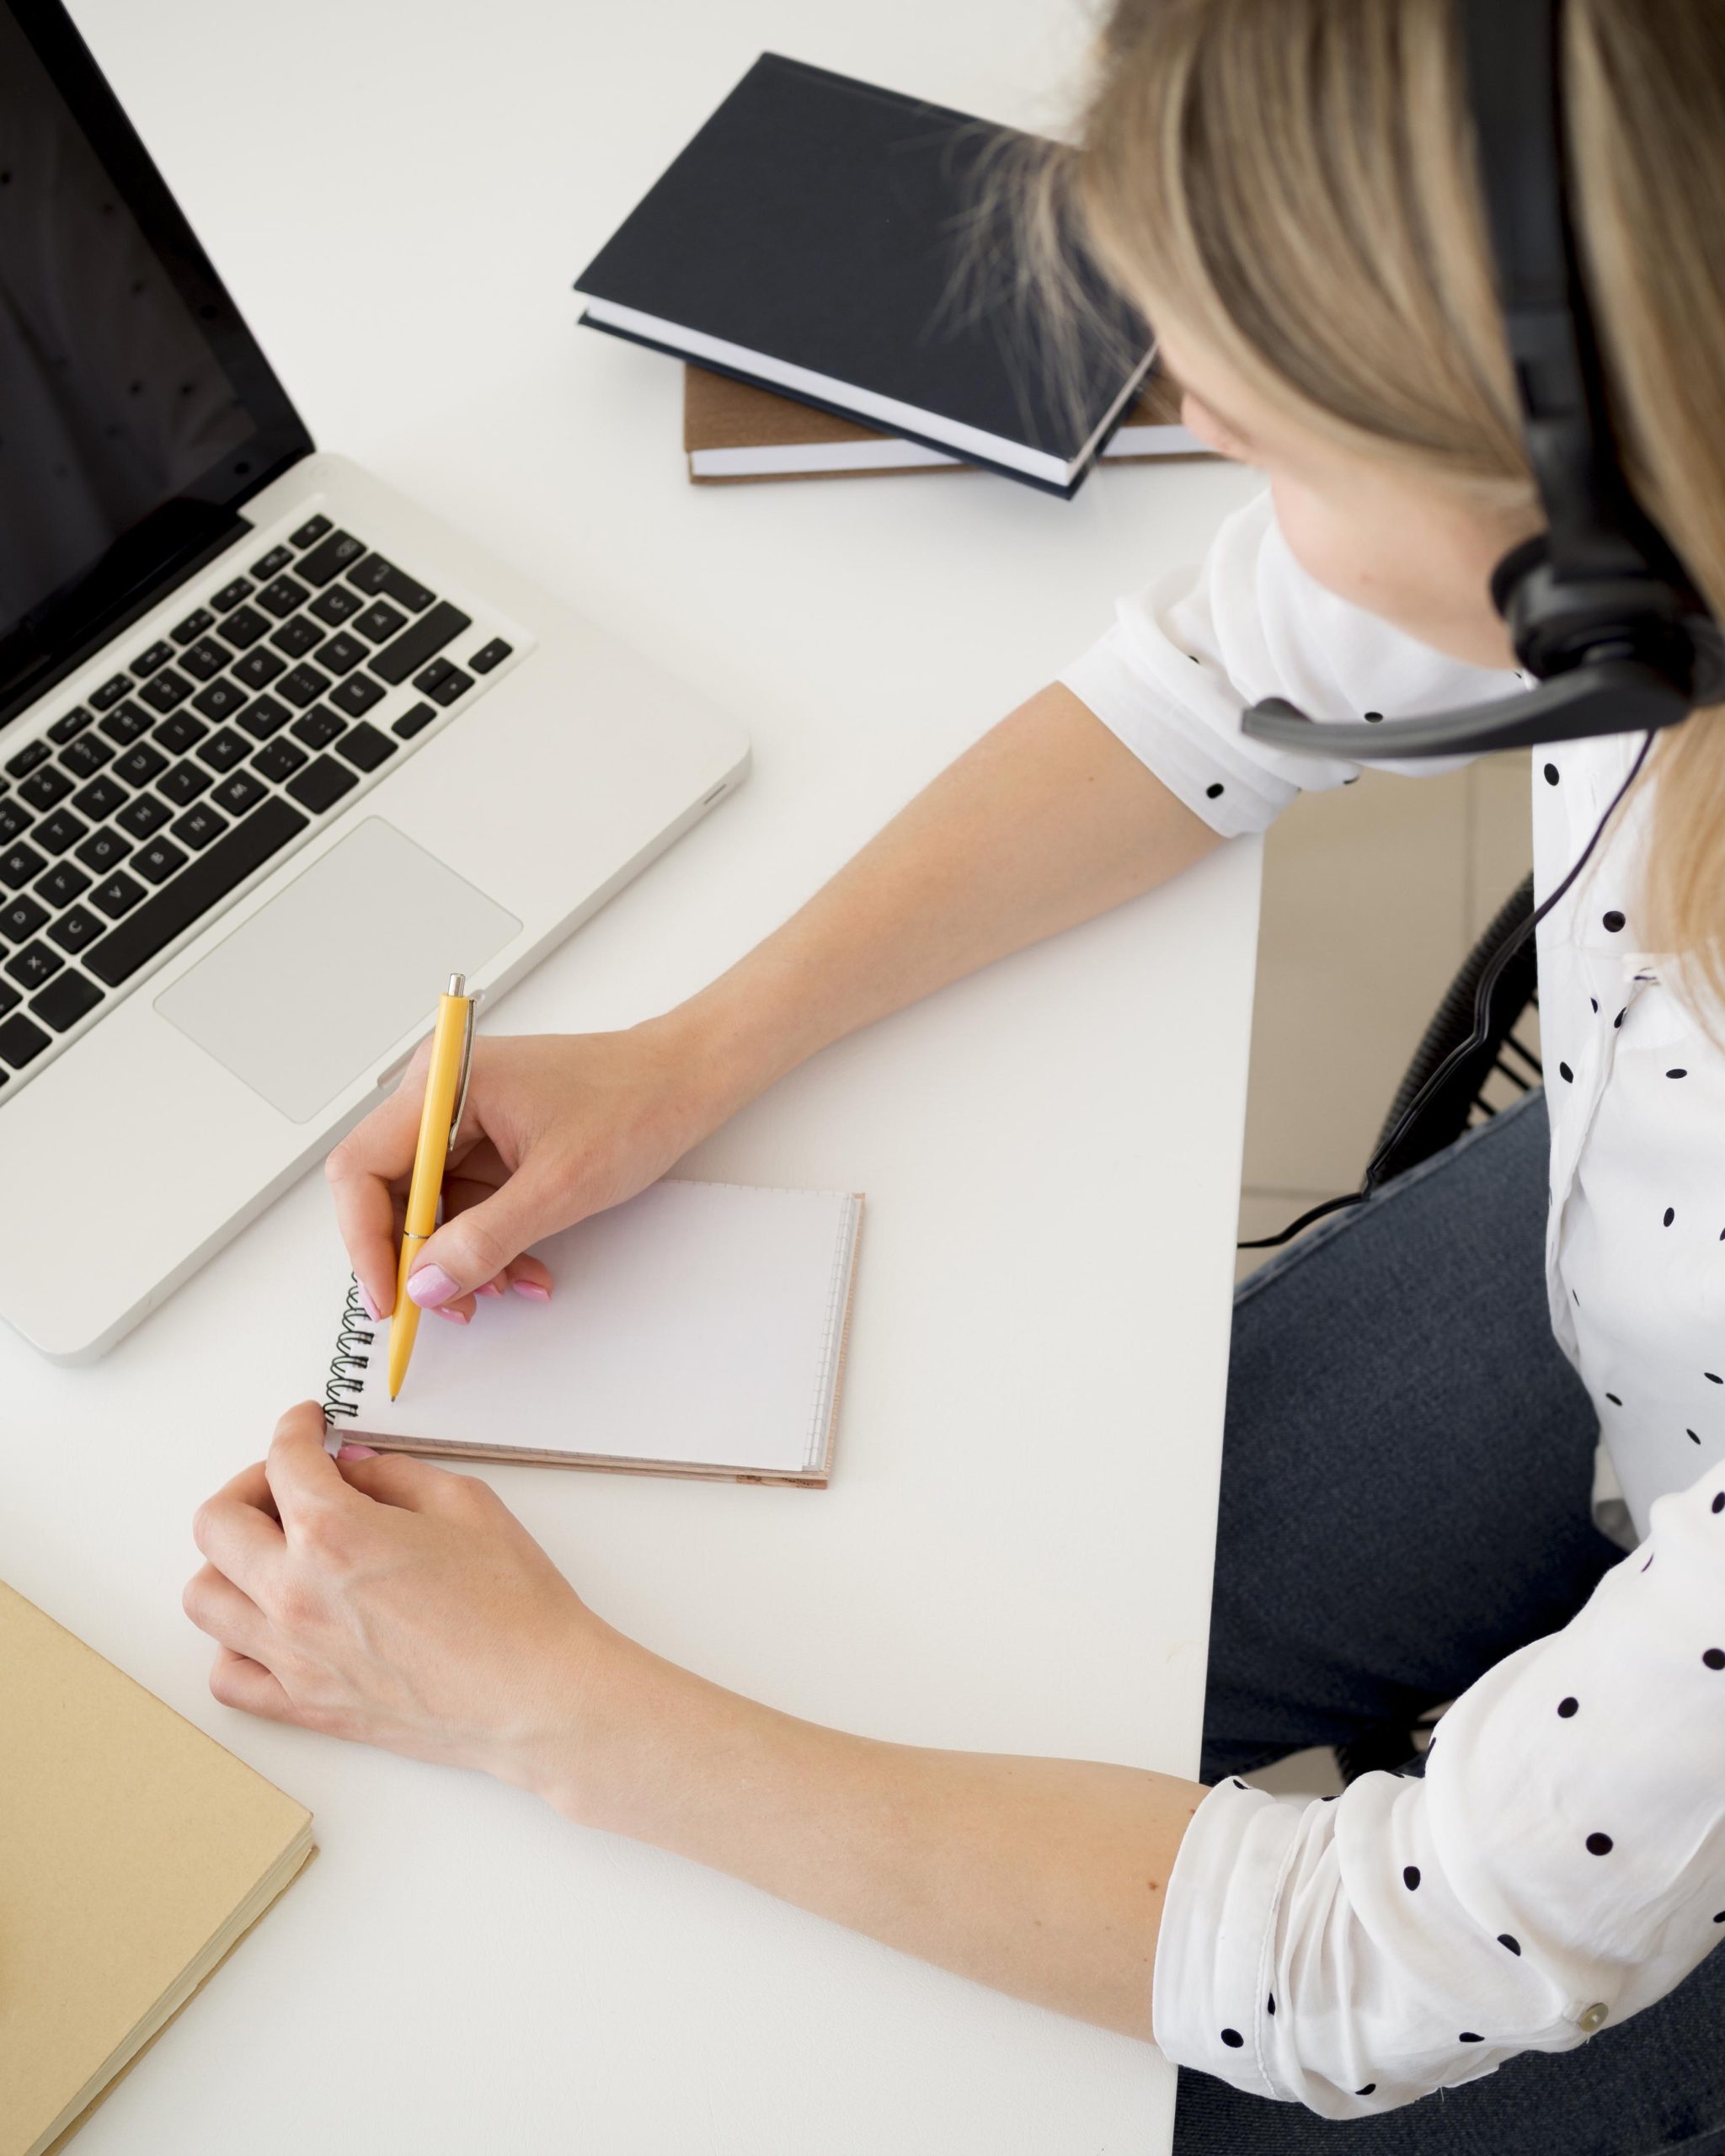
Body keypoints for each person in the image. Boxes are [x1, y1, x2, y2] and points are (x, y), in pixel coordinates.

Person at [183, 0, 1725, 2144]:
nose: (1194, 434)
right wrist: (691, 1050)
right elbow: (1210, 689)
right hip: (1640, 1277)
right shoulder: (1650, 537)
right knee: (1062, 1617)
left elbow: (1371, 1961)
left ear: (1584, 511)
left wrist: (542, 1705)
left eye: (1275, 440)